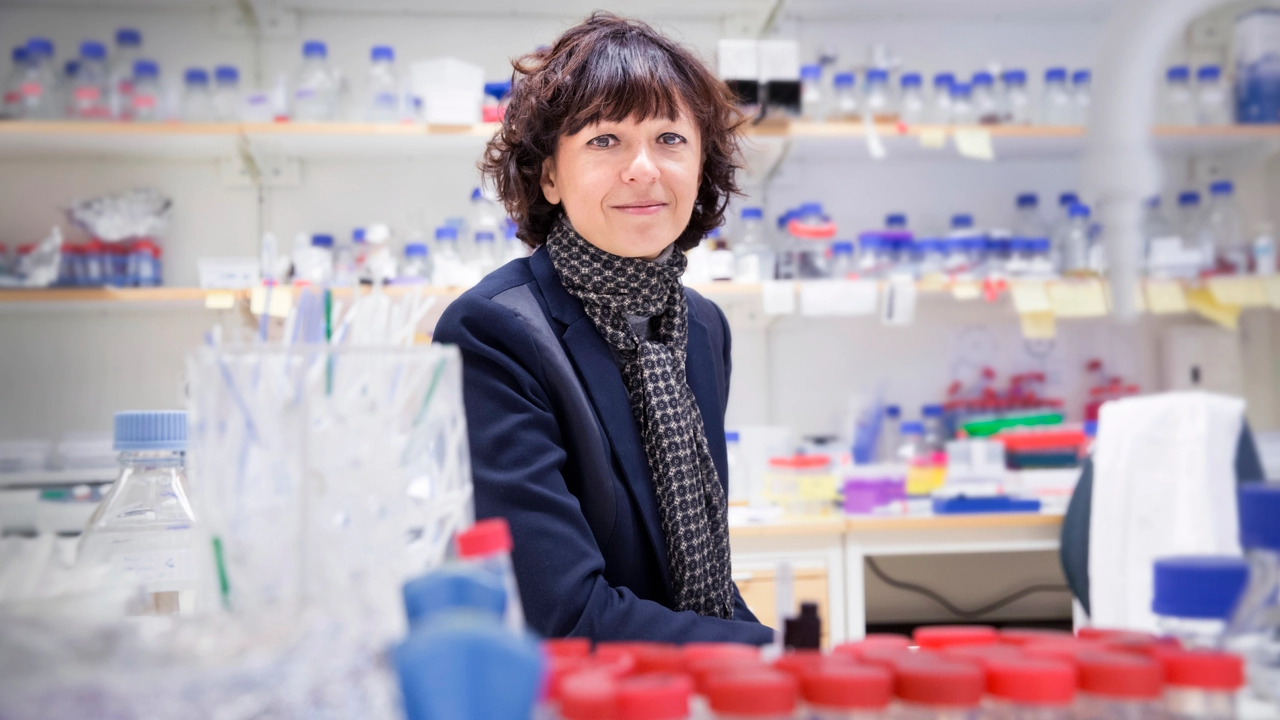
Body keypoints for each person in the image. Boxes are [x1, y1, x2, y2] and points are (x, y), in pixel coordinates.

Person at [434, 12, 771, 644]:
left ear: (701, 164)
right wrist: (765, 655)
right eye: (604, 140)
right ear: (550, 176)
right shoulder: (492, 334)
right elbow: (560, 613)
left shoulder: (700, 327)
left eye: (670, 138)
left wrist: (795, 660)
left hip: (681, 688)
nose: (644, 167)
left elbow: (698, 580)